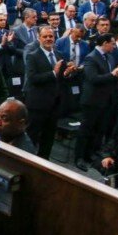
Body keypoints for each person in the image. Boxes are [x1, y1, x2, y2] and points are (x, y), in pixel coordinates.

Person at [75, 33, 118, 171]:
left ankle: (91, 153)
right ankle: (79, 157)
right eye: (112, 43)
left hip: (106, 100)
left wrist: (117, 75)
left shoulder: (109, 57)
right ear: (104, 43)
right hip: (92, 101)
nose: (114, 46)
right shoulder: (91, 58)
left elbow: (110, 78)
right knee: (86, 130)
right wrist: (112, 74)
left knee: (99, 130)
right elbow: (93, 79)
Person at [23, 26, 75, 159]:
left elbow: (60, 78)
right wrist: (53, 73)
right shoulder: (32, 56)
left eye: (50, 36)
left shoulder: (59, 55)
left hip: (54, 104)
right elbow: (33, 78)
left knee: (49, 137)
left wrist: (66, 74)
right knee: (32, 136)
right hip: (37, 104)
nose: (48, 39)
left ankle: (44, 163)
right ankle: (29, 162)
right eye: (45, 36)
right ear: (39, 38)